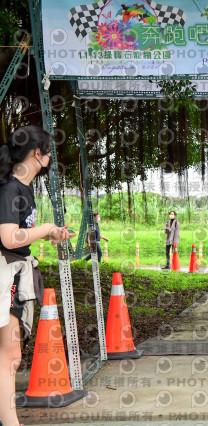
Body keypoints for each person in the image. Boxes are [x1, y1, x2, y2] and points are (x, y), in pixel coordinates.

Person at [0, 126, 72, 426]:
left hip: (16, 272)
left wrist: (50, 232)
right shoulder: (10, 189)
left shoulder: (24, 188)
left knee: (10, 356)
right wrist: (44, 228)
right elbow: (8, 238)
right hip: (5, 273)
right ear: (37, 153)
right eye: (49, 152)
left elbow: (21, 234)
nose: (51, 157)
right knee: (10, 356)